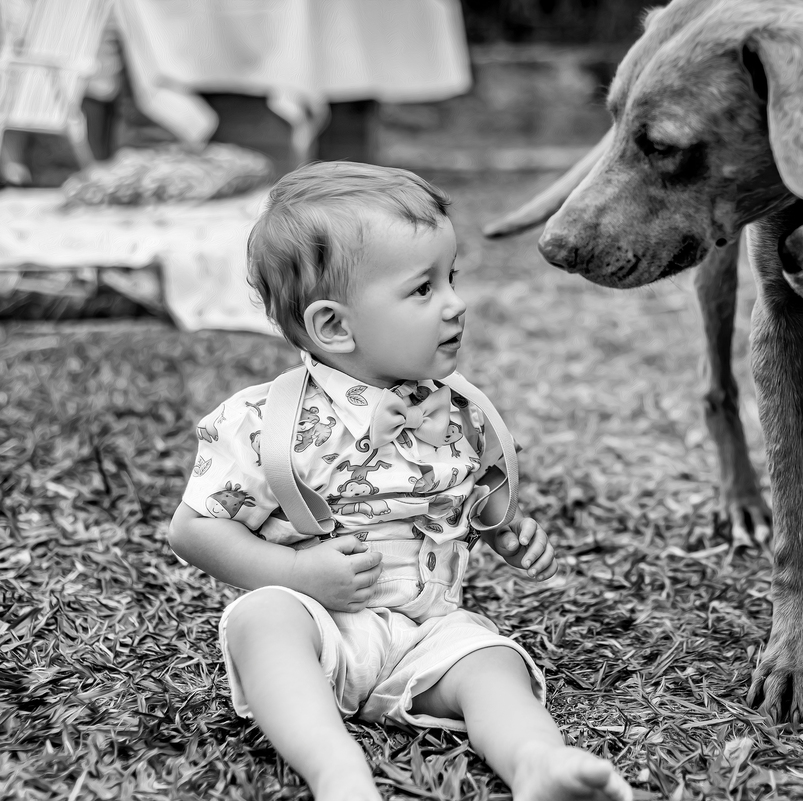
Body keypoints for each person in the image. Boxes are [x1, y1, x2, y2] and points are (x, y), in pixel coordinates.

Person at [168, 161, 632, 801]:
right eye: (423, 290)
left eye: (451, 278)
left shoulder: (462, 410)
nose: (455, 303)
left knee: (492, 661)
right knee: (262, 621)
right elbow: (193, 531)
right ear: (334, 326)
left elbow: (471, 500)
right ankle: (337, 771)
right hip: (322, 625)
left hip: (428, 635)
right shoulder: (262, 421)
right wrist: (295, 576)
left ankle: (535, 762)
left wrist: (504, 531)